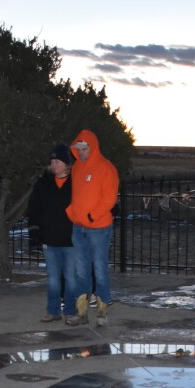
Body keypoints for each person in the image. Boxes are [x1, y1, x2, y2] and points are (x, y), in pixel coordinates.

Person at [66, 129, 118, 327]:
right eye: (78, 149)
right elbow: (75, 194)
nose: (81, 152)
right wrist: (73, 213)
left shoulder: (106, 168)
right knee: (81, 272)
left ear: (92, 147)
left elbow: (109, 198)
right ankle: (81, 313)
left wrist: (92, 215)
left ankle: (103, 312)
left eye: (85, 148)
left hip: (99, 228)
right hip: (78, 228)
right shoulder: (77, 168)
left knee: (100, 269)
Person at [27, 144, 78, 325]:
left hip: (71, 239)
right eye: (52, 161)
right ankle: (53, 311)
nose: (54, 164)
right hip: (50, 239)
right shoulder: (43, 183)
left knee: (71, 279)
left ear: (66, 163)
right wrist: (34, 230)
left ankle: (71, 312)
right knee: (53, 279)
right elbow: (33, 208)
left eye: (58, 161)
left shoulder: (75, 182)